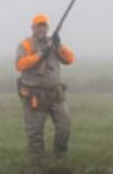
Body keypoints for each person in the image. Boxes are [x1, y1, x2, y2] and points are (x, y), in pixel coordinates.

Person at [15, 13, 75, 156]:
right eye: (38, 26)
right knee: (35, 132)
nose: (41, 29)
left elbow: (69, 59)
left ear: (48, 27)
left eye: (44, 26)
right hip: (34, 95)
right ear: (33, 28)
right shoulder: (26, 44)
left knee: (65, 127)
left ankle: (60, 159)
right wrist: (40, 55)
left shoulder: (53, 43)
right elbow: (19, 64)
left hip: (55, 94)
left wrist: (58, 44)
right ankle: (37, 165)